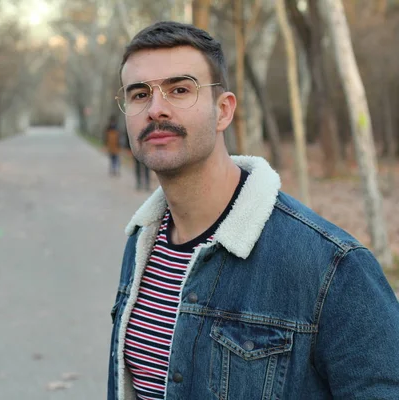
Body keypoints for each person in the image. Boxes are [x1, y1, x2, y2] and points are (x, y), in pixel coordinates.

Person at [107, 21, 399, 400]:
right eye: (139, 94)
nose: (156, 108)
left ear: (224, 111)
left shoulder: (332, 267)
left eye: (180, 89)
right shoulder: (141, 243)